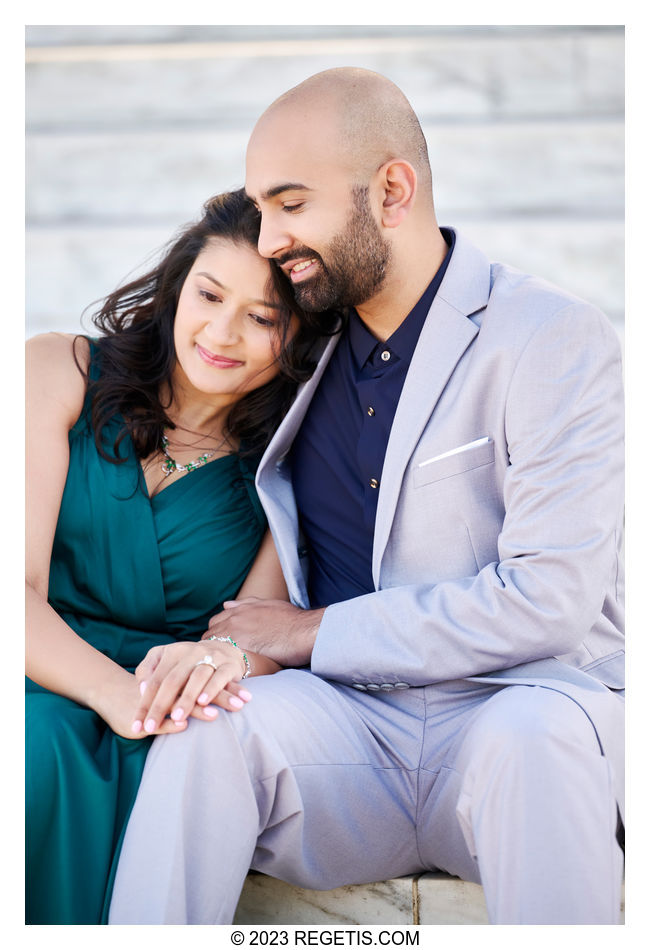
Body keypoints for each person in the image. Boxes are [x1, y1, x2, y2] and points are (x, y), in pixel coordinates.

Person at [109, 68, 625, 925]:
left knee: (534, 739)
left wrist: (312, 634)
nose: (268, 239)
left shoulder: (549, 336)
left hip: (514, 711)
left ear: (391, 189)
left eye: (291, 204)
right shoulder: (299, 342)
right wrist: (232, 653)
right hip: (348, 730)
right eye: (259, 208)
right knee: (208, 729)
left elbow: (551, 602)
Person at [25, 188, 336, 924]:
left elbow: (249, 628)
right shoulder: (56, 369)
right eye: (209, 293)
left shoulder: (287, 463)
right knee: (35, 745)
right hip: (41, 666)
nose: (221, 332)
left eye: (262, 318)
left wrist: (192, 677)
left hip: (167, 703)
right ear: (177, 285)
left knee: (183, 773)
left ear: (296, 339)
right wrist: (114, 698)